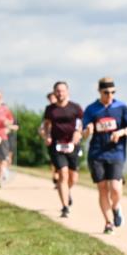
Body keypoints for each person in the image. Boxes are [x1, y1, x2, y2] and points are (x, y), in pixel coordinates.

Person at [82, 77, 127, 234]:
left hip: (116, 152)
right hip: (97, 153)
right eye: (106, 92)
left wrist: (121, 132)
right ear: (99, 91)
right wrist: (88, 130)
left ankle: (116, 207)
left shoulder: (121, 107)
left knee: (115, 188)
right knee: (102, 188)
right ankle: (108, 223)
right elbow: (84, 133)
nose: (110, 95)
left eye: (113, 92)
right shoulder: (92, 109)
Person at [42, 82, 83, 218]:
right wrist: (47, 135)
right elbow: (47, 124)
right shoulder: (50, 109)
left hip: (72, 145)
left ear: (67, 92)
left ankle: (67, 191)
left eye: (62, 91)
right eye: (57, 91)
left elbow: (80, 125)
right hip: (56, 145)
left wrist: (77, 134)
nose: (60, 94)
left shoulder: (75, 108)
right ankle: (65, 207)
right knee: (63, 174)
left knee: (73, 178)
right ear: (54, 92)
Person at [40, 91, 60, 188]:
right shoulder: (48, 111)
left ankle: (60, 178)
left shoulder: (63, 109)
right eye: (50, 99)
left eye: (53, 98)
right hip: (52, 139)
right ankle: (56, 177)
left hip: (63, 139)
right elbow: (42, 127)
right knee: (54, 159)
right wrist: (45, 135)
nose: (51, 100)